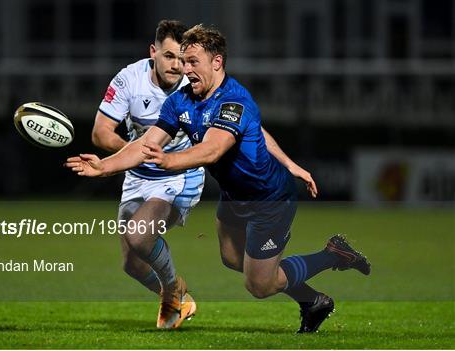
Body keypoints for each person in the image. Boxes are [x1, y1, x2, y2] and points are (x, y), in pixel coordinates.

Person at [67, 24, 371, 333]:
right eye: (183, 61)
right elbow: (148, 143)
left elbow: (212, 150)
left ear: (217, 62)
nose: (186, 69)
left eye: (193, 61)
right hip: (233, 196)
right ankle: (311, 300)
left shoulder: (234, 101)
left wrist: (168, 160)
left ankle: (331, 255)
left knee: (259, 286)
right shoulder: (181, 100)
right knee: (230, 258)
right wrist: (104, 167)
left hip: (269, 200)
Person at [91, 20, 204, 329]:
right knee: (132, 265)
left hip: (180, 175)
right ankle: (181, 297)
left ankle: (172, 290)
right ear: (153, 52)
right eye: (169, 56)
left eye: (183, 58)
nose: (177, 66)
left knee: (140, 235)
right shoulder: (129, 79)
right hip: (136, 173)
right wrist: (137, 151)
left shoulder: (194, 85)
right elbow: (101, 134)